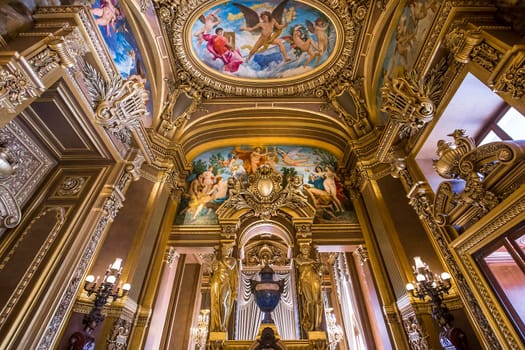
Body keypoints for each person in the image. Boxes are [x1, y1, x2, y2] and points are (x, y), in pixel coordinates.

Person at [210, 244, 238, 332]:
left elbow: (230, 266)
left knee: (222, 301)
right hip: (217, 280)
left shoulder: (232, 260)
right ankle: (217, 325)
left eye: (227, 250)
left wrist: (220, 260)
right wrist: (214, 265)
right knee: (215, 302)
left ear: (230, 252)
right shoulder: (218, 260)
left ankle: (222, 324)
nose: (225, 252)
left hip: (225, 281)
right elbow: (213, 269)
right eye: (224, 250)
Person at [295, 243, 322, 332]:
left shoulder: (312, 261)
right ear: (301, 250)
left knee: (317, 301)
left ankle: (317, 325)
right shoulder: (298, 259)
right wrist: (312, 262)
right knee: (309, 301)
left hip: (314, 279)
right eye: (304, 248)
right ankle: (311, 325)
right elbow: (301, 263)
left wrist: (320, 267)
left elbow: (319, 269)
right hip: (305, 280)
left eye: (307, 248)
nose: (306, 250)